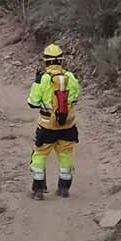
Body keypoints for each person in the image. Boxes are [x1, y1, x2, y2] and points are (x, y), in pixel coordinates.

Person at [27, 43, 81, 200]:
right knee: (65, 155)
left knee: (39, 156)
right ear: (62, 60)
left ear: (46, 61)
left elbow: (33, 103)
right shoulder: (71, 77)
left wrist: (38, 83)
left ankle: (38, 191)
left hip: (47, 127)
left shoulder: (43, 79)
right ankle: (64, 189)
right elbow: (76, 98)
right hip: (68, 126)